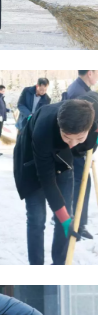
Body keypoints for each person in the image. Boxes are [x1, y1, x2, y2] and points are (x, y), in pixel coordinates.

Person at [13, 97, 96, 265]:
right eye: (67, 137)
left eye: (79, 138)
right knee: (37, 218)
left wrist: (90, 142)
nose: (73, 144)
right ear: (60, 126)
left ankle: (60, 264)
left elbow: (82, 146)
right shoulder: (43, 128)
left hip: (63, 162)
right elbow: (47, 180)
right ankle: (36, 267)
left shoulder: (93, 116)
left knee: (66, 213)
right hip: (33, 162)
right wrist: (65, 219)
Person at [65, 71, 98, 242]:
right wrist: (85, 149)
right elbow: (80, 127)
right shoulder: (79, 93)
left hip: (79, 149)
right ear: (90, 73)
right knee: (80, 185)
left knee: (81, 185)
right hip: (75, 149)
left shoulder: (80, 89)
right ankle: (75, 223)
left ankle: (78, 222)